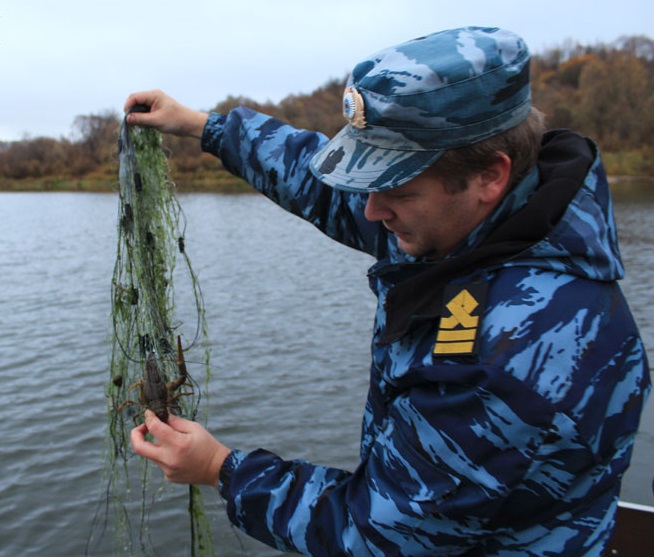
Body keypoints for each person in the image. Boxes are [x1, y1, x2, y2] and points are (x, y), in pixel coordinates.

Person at [127, 26, 650, 556]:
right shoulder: (477, 222)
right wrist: (204, 127)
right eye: (368, 185)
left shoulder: (510, 362)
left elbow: (374, 535)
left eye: (396, 190)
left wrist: (220, 469)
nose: (372, 211)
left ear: (490, 176)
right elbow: (322, 189)